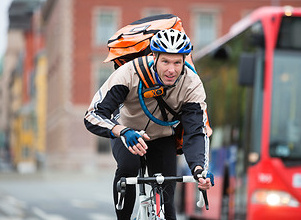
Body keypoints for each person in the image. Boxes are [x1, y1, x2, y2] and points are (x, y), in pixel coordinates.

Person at [84, 29, 213, 220]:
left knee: (168, 204)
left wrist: (199, 170)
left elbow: (195, 131)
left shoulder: (192, 84)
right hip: (127, 134)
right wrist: (122, 131)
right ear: (154, 57)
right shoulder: (130, 73)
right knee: (128, 168)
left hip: (162, 137)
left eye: (178, 62)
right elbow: (92, 115)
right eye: (166, 61)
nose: (172, 69)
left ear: (185, 60)